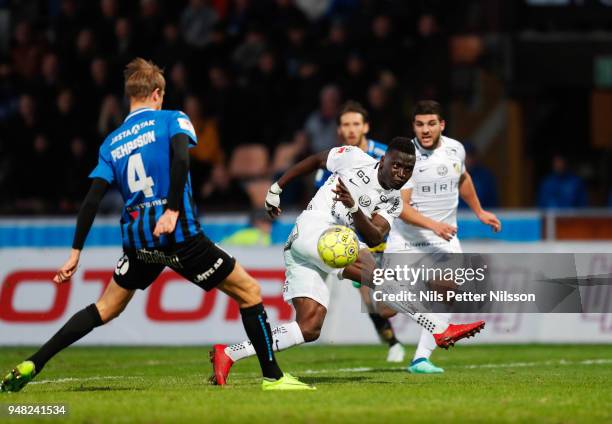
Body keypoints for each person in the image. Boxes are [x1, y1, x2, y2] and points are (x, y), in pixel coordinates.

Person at [1, 58, 312, 393]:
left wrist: (75, 252)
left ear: (129, 96)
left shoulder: (112, 143)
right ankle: (274, 378)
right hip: (180, 236)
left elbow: (91, 200)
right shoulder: (172, 119)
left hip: (138, 243)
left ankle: (34, 361)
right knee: (249, 292)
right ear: (157, 93)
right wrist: (173, 209)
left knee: (105, 307)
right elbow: (181, 158)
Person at [210, 137, 486, 385]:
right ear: (383, 160)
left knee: (309, 327)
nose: (401, 174)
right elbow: (317, 160)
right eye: (397, 166)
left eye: (407, 170)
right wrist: (277, 186)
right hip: (310, 229)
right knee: (372, 270)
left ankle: (229, 354)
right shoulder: (353, 157)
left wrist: (354, 208)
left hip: (329, 245)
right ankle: (438, 328)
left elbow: (375, 233)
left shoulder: (392, 202)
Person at [385, 100, 500, 374]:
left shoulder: (455, 149)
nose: (425, 130)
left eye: (431, 124)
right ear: (413, 126)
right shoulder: (406, 156)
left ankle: (421, 359)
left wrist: (480, 211)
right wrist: (433, 225)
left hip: (443, 237)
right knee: (386, 308)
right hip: (407, 238)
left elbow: (463, 179)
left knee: (449, 291)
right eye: (420, 124)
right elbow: (401, 207)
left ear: (441, 125)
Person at [314, 100, 406, 363]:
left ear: (365, 126)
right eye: (345, 124)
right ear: (339, 129)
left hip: (388, 232)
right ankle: (393, 343)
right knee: (370, 297)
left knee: (387, 297)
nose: (351, 129)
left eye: (356, 123)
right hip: (355, 236)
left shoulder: (384, 155)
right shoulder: (335, 159)